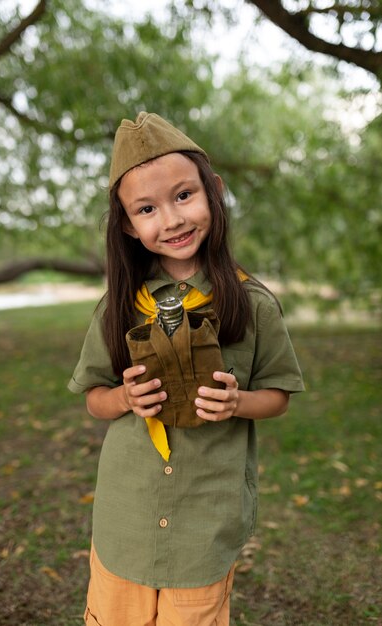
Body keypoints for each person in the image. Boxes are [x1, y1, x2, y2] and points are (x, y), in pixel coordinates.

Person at [68, 111, 304, 626]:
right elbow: (94, 397)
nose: (171, 220)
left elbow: (278, 394)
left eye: (183, 196)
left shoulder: (253, 303)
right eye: (147, 208)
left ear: (214, 191)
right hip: (125, 519)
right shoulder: (118, 307)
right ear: (128, 224)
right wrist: (124, 399)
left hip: (205, 521)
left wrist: (239, 402)